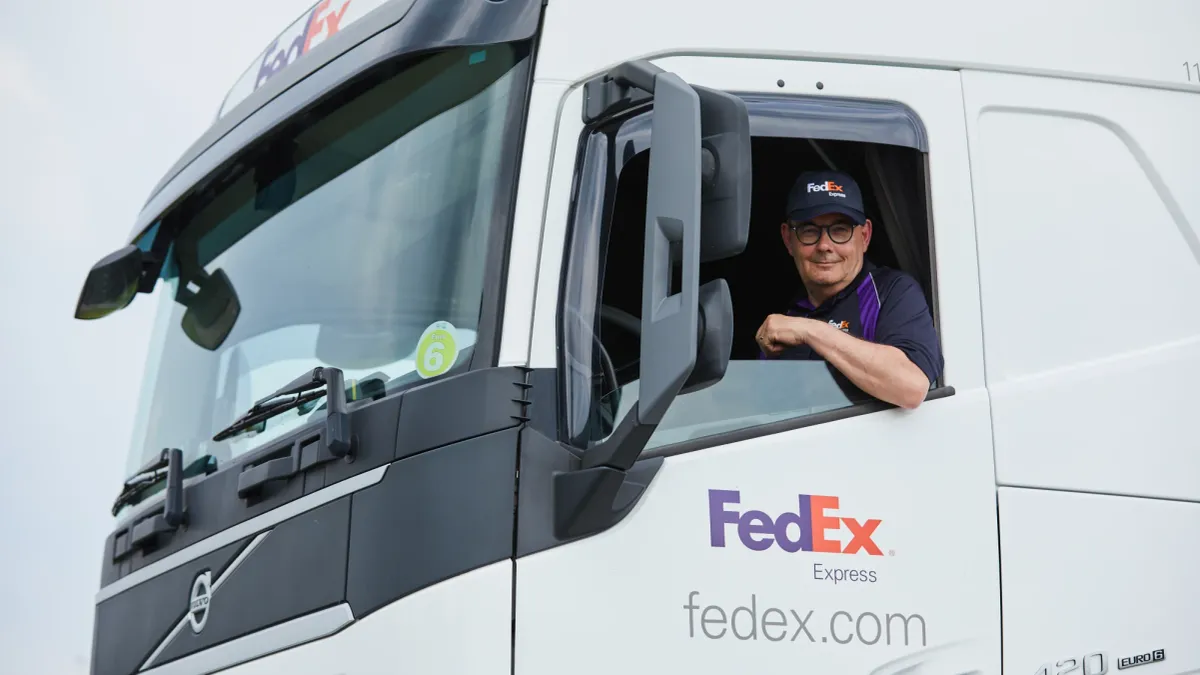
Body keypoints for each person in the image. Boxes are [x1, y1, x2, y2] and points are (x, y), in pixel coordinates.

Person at [755, 170, 943, 409]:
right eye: (809, 231)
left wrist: (810, 331)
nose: (824, 246)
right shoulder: (788, 317)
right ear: (788, 240)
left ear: (864, 236)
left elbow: (911, 387)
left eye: (840, 230)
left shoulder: (892, 293)